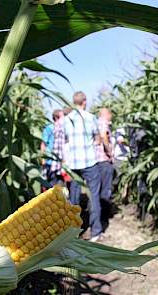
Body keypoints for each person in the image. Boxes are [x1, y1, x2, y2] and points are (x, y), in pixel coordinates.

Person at [63, 91, 102, 242]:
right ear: (84, 102)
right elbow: (97, 140)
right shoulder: (90, 118)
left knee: (74, 198)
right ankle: (95, 232)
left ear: (74, 102)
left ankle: (73, 232)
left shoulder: (66, 120)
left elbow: (65, 142)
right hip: (90, 162)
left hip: (73, 164)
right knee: (94, 196)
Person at [95, 108, 114, 222]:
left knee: (98, 187)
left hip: (95, 161)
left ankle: (99, 212)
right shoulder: (103, 123)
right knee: (105, 188)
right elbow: (103, 136)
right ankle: (105, 215)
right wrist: (109, 151)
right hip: (104, 159)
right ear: (106, 114)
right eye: (110, 114)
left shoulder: (95, 122)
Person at [41, 109, 63, 186]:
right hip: (50, 160)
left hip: (59, 161)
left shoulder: (63, 128)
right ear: (57, 118)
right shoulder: (49, 128)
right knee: (52, 182)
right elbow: (43, 144)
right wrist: (43, 159)